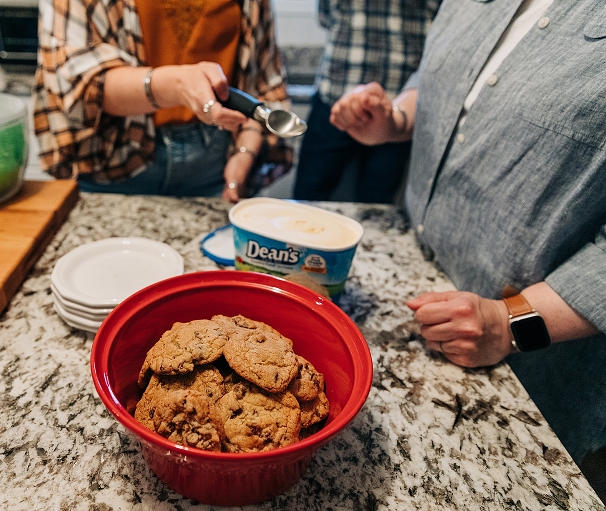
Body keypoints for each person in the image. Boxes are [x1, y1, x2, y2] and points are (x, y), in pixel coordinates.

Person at [331, 0, 606, 467]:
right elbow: (441, 82)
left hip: (531, 365)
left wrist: (509, 323)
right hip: (419, 282)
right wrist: (395, 119)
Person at [33, 0, 288, 203]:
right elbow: (78, 83)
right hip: (113, 162)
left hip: (214, 163)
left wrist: (245, 153)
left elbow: (263, 82)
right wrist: (176, 85)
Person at [292, 0, 441, 203]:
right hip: (340, 97)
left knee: (375, 204)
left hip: (396, 105)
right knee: (309, 196)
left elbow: (325, 17)